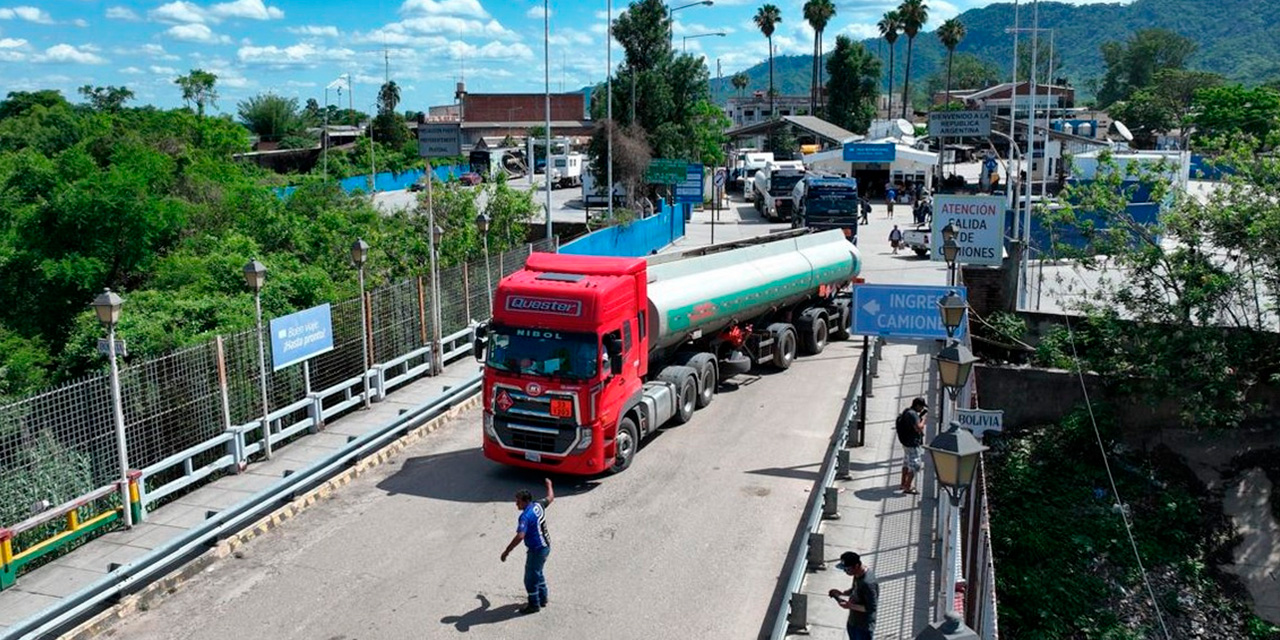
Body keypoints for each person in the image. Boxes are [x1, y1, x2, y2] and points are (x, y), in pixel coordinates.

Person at [501, 478, 555, 614]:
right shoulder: (538, 505)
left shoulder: (525, 516)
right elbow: (551, 497)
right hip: (546, 546)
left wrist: (507, 551)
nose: (516, 504)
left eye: (518, 501)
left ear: (525, 501)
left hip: (537, 550)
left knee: (530, 578)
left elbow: (520, 536)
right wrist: (549, 485)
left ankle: (534, 604)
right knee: (538, 572)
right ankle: (543, 598)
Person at [829, 551, 879, 640]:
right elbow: (855, 589)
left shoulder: (868, 583)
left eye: (847, 569)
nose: (845, 572)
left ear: (856, 566)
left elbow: (871, 608)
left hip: (863, 627)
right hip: (853, 621)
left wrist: (850, 606)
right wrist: (842, 593)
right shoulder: (857, 574)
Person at [896, 397, 927, 494]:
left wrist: (919, 418)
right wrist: (924, 420)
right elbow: (919, 428)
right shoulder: (913, 415)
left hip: (906, 443)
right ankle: (907, 487)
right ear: (917, 405)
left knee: (906, 462)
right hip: (912, 444)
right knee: (916, 465)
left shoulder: (907, 412)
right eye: (921, 407)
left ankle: (903, 483)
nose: (922, 409)